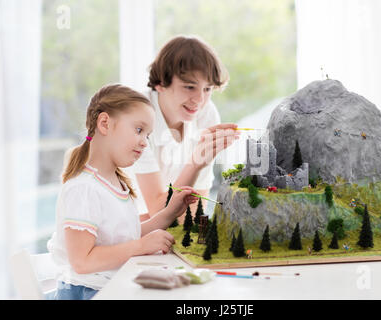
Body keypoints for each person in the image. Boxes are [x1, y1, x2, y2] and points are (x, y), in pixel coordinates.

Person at [47, 84, 199, 300]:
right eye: (139, 130)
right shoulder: (84, 188)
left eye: (148, 135)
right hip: (87, 293)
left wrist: (169, 213)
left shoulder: (115, 183)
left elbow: (124, 236)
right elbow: (82, 262)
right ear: (105, 123)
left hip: (110, 289)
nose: (145, 143)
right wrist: (141, 246)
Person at [129, 35, 240, 222]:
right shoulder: (137, 117)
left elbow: (194, 210)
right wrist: (196, 163)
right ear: (161, 83)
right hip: (122, 231)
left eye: (208, 89)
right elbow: (158, 212)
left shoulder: (206, 113)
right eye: (189, 87)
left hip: (157, 230)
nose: (199, 100)